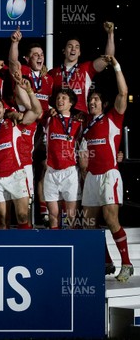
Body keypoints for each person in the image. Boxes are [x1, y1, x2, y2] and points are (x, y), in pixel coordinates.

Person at [79, 55, 134, 282]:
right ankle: (106, 261)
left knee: (111, 220)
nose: (92, 103)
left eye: (96, 100)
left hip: (109, 175)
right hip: (92, 177)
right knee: (89, 223)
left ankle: (127, 264)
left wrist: (117, 67)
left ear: (103, 104)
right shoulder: (85, 127)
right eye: (90, 100)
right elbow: (83, 155)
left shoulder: (113, 118)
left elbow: (123, 93)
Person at [0, 77, 42, 229]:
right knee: (0, 218)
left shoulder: (14, 123)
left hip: (16, 175)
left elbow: (37, 111)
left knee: (23, 216)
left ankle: (26, 249)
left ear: (4, 109)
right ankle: (0, 251)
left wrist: (29, 91)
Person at [8, 26, 54, 226]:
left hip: (42, 126)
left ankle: (43, 209)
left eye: (41, 54)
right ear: (27, 59)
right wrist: (15, 43)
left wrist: (50, 110)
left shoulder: (49, 78)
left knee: (43, 166)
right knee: (19, 167)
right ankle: (13, 218)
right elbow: (12, 62)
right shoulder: (23, 71)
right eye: (35, 54)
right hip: (24, 123)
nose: (39, 57)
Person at [40, 88, 84, 229]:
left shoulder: (79, 122)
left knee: (72, 217)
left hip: (70, 172)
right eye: (58, 98)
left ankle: (73, 247)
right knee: (53, 215)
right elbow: (35, 109)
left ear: (71, 103)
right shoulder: (49, 118)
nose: (60, 100)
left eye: (64, 98)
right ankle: (56, 249)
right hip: (52, 172)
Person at [48, 21, 114, 114]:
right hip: (59, 118)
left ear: (79, 52)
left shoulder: (87, 68)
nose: (73, 49)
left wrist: (110, 34)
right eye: (70, 46)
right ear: (64, 51)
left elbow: (109, 57)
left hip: (80, 118)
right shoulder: (52, 73)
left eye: (76, 47)